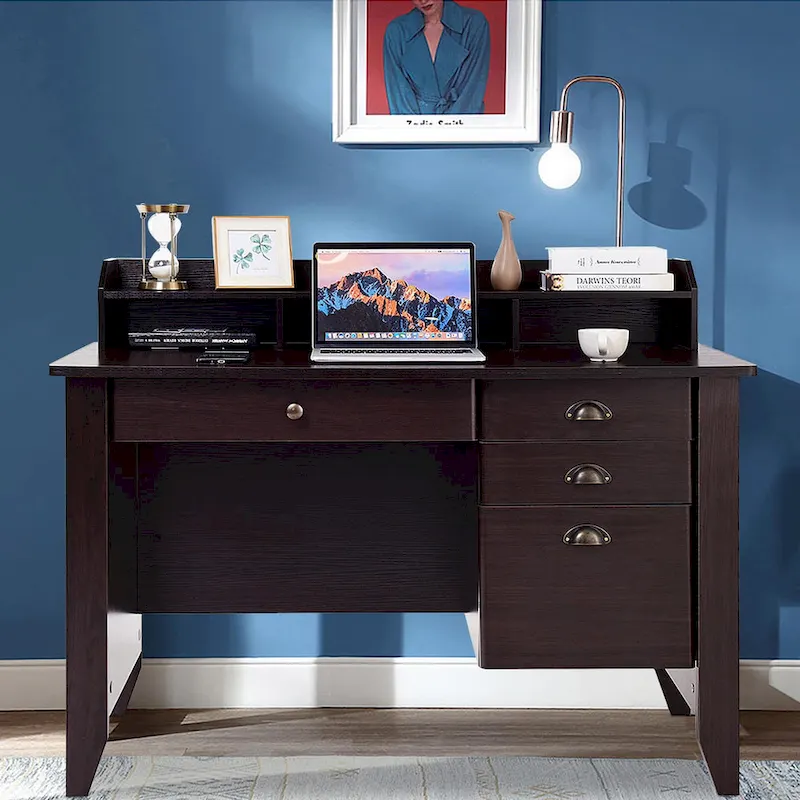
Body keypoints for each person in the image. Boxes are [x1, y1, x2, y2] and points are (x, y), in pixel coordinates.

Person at [383, 0, 490, 115]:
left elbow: (472, 91)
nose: (423, 1)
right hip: (415, 129)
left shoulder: (474, 24)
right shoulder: (396, 32)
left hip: (462, 125)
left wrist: (451, 130)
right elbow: (398, 97)